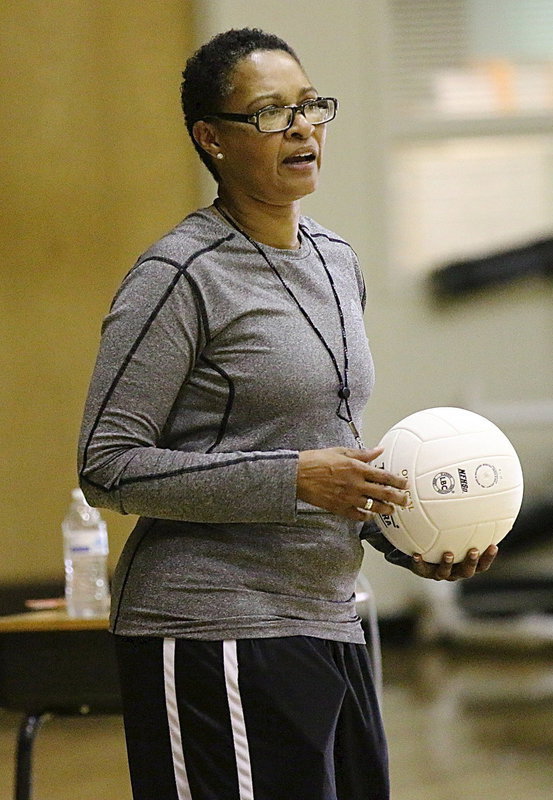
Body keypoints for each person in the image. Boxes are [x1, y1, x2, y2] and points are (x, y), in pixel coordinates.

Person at [78, 27, 498, 800]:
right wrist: (296, 481)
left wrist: (413, 540)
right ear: (211, 139)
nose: (302, 126)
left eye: (309, 106)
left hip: (330, 620)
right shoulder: (178, 275)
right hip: (214, 626)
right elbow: (108, 464)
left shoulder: (336, 262)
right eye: (271, 112)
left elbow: (324, 455)